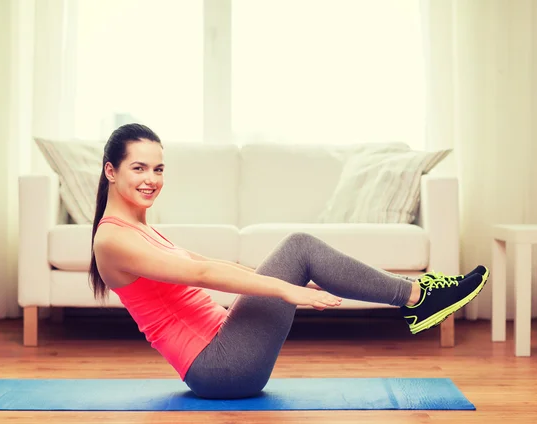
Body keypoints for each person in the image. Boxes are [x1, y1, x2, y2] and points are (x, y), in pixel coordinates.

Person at [89, 123, 490, 400]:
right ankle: (419, 298)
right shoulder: (111, 239)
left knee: (298, 253)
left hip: (223, 348)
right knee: (299, 246)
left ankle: (418, 298)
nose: (151, 179)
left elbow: (208, 260)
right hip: (219, 368)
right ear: (111, 170)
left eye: (158, 169)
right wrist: (286, 289)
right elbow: (202, 274)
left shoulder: (140, 228)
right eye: (138, 168)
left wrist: (299, 284)